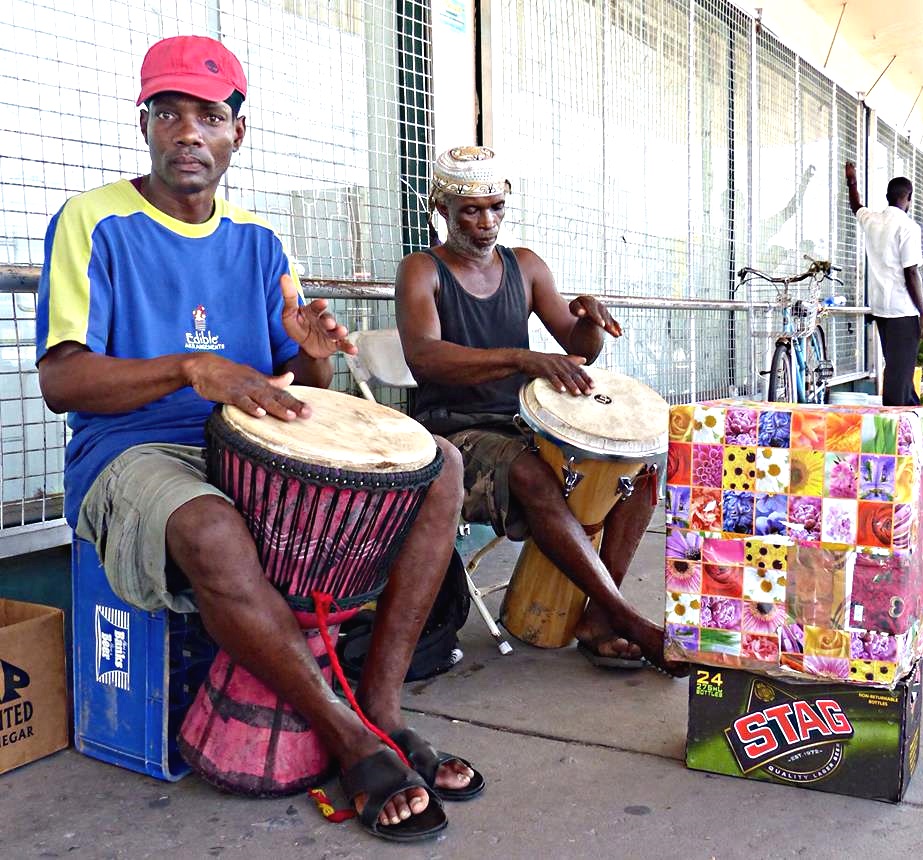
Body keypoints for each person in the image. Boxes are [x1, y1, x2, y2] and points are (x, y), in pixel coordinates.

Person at [36, 36, 481, 842]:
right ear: (144, 125)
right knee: (210, 525)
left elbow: (304, 397)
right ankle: (350, 739)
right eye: (167, 113)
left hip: (246, 447)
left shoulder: (260, 244)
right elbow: (61, 382)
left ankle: (382, 710)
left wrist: (313, 350)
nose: (187, 133)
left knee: (439, 464)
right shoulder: (94, 222)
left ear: (238, 132)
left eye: (209, 115)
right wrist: (188, 369)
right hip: (132, 452)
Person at [394, 145, 687, 676]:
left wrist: (589, 318)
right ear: (440, 207)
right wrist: (520, 357)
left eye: (496, 207)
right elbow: (425, 358)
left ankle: (600, 619)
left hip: (523, 425)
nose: (487, 222)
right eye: (471, 210)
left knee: (638, 469)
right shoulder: (422, 270)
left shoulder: (525, 266)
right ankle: (630, 620)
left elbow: (578, 347)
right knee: (529, 471)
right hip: (454, 434)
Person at [843, 162, 923, 406]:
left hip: (881, 309)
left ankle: (912, 424)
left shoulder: (872, 220)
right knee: (898, 374)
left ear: (887, 197)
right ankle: (895, 428)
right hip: (903, 310)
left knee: (898, 370)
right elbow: (912, 273)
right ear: (910, 198)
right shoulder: (908, 227)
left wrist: (852, 181)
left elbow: (856, 206)